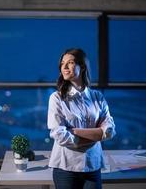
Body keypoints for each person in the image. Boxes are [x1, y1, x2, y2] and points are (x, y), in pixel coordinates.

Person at [47, 48, 116, 189]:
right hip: (66, 168)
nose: (64, 67)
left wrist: (75, 132)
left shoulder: (97, 97)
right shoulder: (57, 98)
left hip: (92, 165)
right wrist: (97, 134)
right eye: (62, 63)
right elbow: (59, 135)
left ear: (82, 67)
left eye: (70, 62)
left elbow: (110, 131)